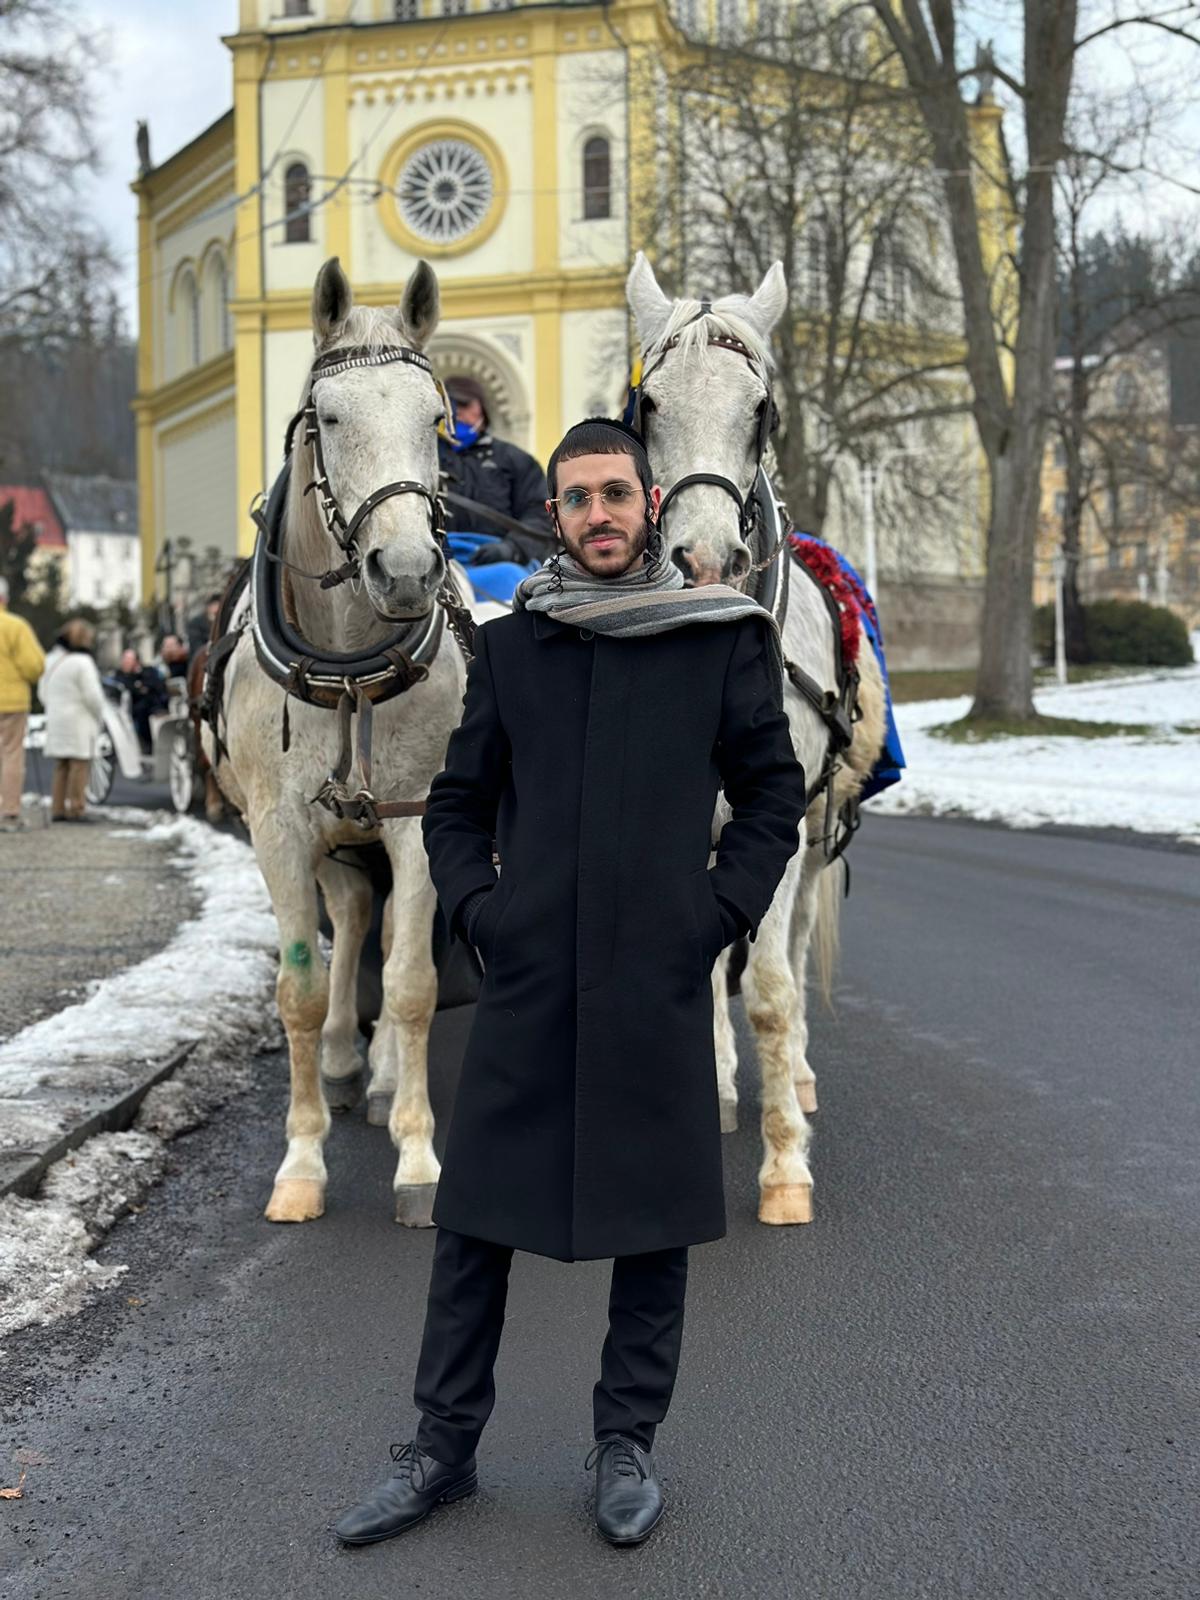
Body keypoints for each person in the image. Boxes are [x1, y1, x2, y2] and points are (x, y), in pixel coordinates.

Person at [333, 418, 808, 1550]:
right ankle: (442, 1446)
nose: (599, 514)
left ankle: (626, 1443)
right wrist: (485, 913)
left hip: (656, 972)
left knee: (653, 1226)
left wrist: (714, 917)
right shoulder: (515, 648)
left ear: (649, 504)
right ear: (554, 513)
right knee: (475, 1220)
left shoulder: (720, 640)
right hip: (531, 972)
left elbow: (773, 796)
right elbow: (455, 805)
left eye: (616, 494)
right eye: (578, 497)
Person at [439, 375, 556, 565]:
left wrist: (512, 549)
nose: (455, 412)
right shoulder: (427, 461)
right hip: (441, 564)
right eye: (448, 406)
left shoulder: (516, 461)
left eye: (463, 404)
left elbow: (540, 514)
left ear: (481, 409)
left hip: (502, 563)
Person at [38, 618, 105, 824]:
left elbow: (42, 692)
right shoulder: (83, 662)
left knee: (61, 766)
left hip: (57, 718)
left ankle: (58, 808)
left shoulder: (50, 659)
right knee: (79, 764)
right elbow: (93, 696)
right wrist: (99, 714)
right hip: (79, 720)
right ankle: (77, 808)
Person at [0, 576, 46, 832]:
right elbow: (34, 665)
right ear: (4, 599)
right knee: (11, 755)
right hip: (11, 701)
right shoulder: (15, 626)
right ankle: (8, 813)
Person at [114, 648, 168, 754]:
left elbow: (157, 687)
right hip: (132, 709)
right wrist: (140, 688)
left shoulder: (149, 671)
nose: (125, 662)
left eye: (128, 660)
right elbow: (128, 689)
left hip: (154, 706)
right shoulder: (119, 675)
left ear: (136, 661)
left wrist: (142, 688)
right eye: (124, 659)